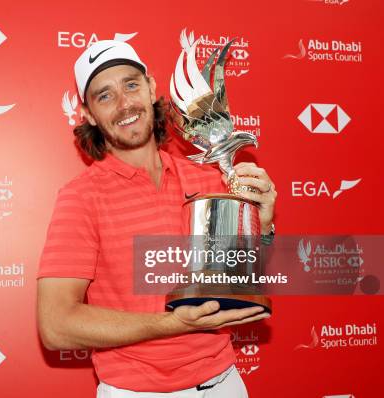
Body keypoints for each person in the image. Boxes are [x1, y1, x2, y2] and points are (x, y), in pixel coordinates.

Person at [37, 40, 277, 397]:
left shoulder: (210, 177)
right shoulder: (80, 198)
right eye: (105, 96)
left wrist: (265, 226)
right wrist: (172, 324)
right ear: (88, 114)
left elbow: (242, 278)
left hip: (224, 382)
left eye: (131, 85)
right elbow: (56, 325)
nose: (124, 104)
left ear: (151, 88)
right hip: (137, 392)